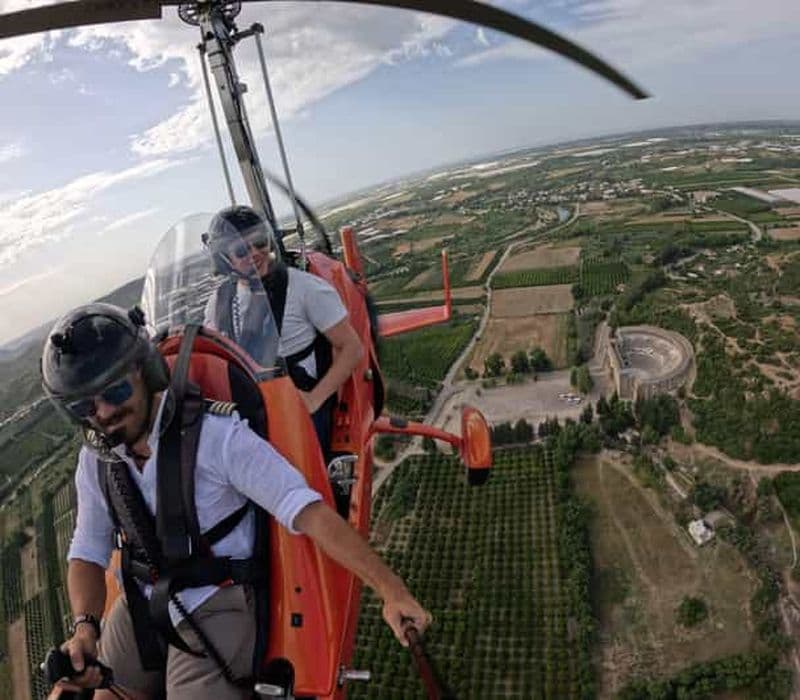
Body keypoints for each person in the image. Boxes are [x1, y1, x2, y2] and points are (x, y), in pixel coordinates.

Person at [41, 303, 430, 700]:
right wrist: (85, 628)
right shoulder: (97, 461)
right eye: (85, 407)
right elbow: (87, 548)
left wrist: (391, 589)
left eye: (116, 391)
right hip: (143, 601)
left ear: (146, 371)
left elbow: (307, 511)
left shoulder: (216, 437)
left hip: (215, 599)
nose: (104, 412)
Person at [202, 205, 363, 456]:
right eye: (242, 250)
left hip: (299, 409)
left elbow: (352, 348)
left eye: (259, 242)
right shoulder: (218, 302)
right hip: (249, 411)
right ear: (223, 258)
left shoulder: (305, 288)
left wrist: (314, 400)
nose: (255, 253)